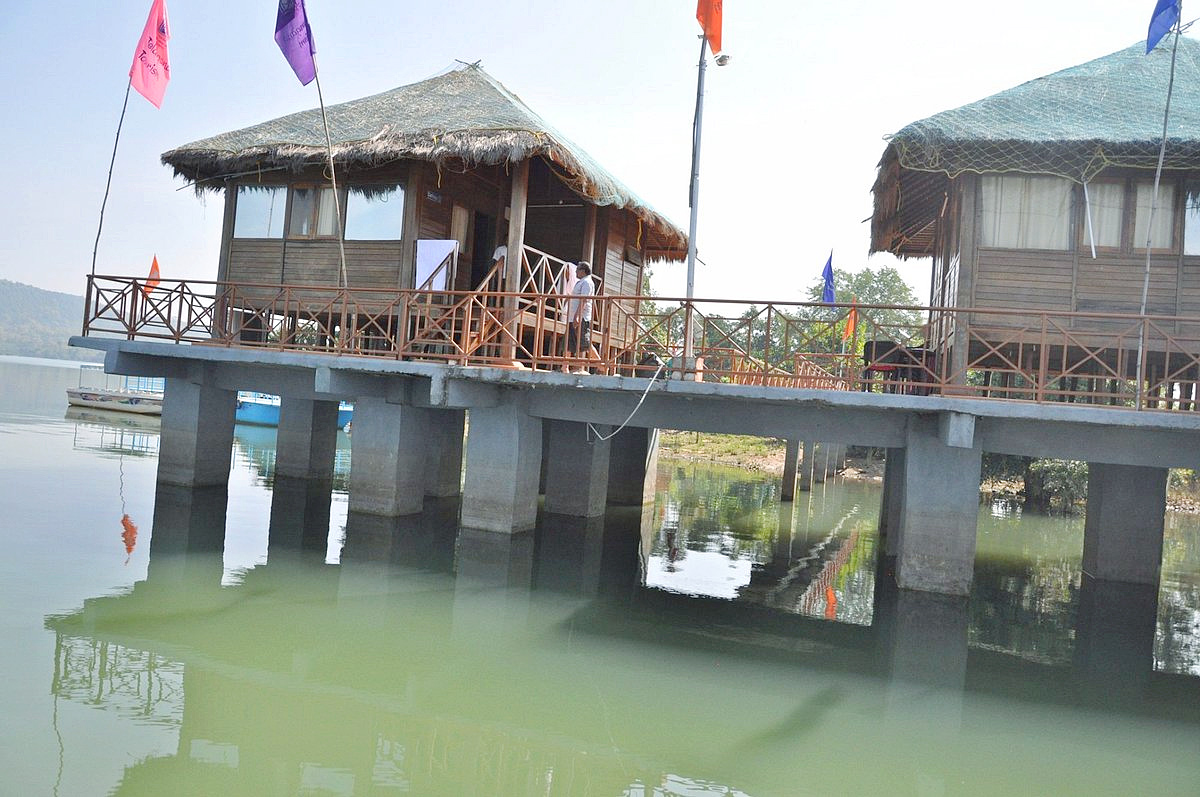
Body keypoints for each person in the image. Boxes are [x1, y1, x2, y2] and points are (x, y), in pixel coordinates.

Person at [565, 261, 594, 374]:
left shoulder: (587, 282)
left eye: (577, 270)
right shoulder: (580, 282)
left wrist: (578, 316)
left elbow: (584, 300)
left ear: (583, 271)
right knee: (568, 342)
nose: (576, 272)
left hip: (581, 318)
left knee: (584, 344)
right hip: (573, 317)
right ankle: (565, 368)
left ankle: (601, 365)